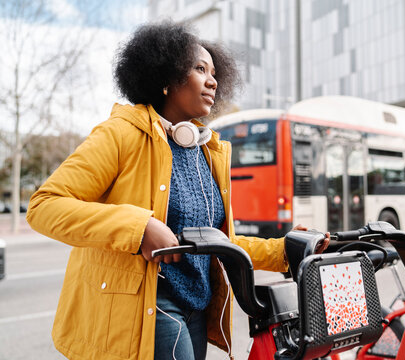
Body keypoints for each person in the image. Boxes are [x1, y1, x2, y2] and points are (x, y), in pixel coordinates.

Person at [26, 21, 328, 360]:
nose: (213, 80)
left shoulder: (206, 151)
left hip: (196, 306)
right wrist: (138, 228)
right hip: (151, 304)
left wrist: (282, 251)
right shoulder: (121, 134)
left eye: (214, 72)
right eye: (200, 69)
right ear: (166, 79)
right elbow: (44, 206)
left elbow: (215, 239)